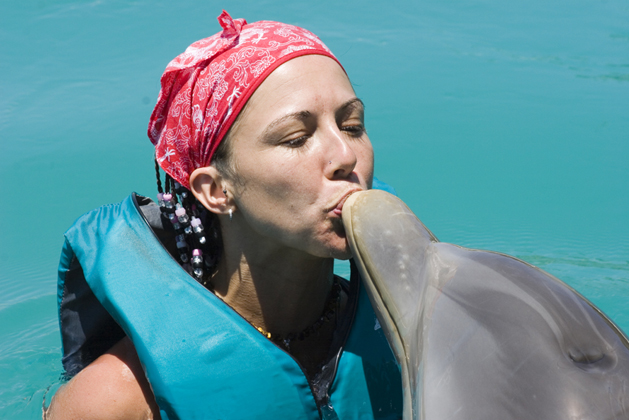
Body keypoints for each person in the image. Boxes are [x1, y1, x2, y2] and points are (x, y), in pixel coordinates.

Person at [47, 11, 402, 420]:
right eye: (296, 138)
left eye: (352, 125)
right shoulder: (114, 401)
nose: (345, 156)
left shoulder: (409, 326)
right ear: (216, 191)